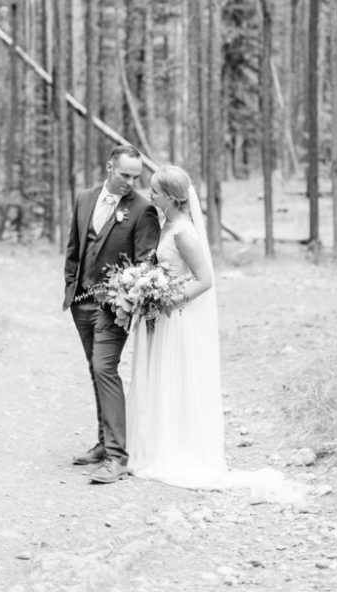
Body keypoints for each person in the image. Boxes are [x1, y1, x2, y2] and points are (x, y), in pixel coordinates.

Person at [126, 164, 308, 507]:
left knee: (175, 379)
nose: (150, 195)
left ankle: (175, 450)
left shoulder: (184, 232)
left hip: (174, 317)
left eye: (155, 191)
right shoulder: (167, 225)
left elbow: (205, 280)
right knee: (161, 379)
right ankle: (155, 443)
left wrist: (167, 300)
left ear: (172, 198)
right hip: (160, 315)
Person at [63, 144, 160, 485]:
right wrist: (71, 289)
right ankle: (104, 444)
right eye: (124, 175)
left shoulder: (143, 210)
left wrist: (125, 298)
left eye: (136, 176)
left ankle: (118, 457)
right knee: (95, 368)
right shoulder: (83, 198)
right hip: (81, 303)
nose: (130, 182)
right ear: (109, 167)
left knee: (105, 368)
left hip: (114, 309)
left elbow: (147, 263)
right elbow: (74, 248)